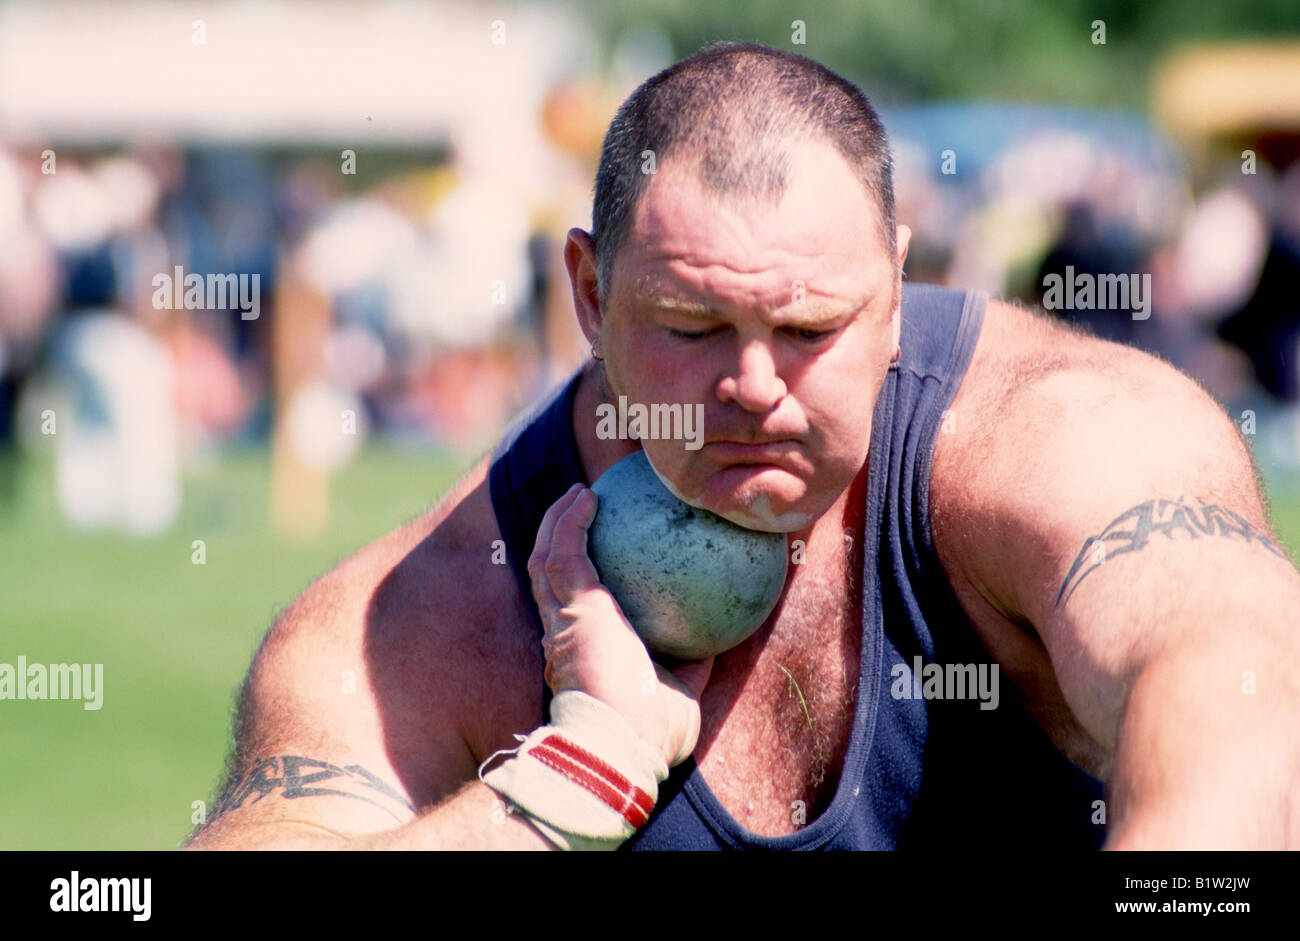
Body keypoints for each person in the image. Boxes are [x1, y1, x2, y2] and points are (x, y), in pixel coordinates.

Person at [185, 42, 1300, 851]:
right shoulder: (434, 611)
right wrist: (575, 773)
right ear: (587, 292)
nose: (755, 388)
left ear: (897, 284)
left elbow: (1246, 691)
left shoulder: (1066, 440)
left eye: (813, 328)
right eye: (690, 328)